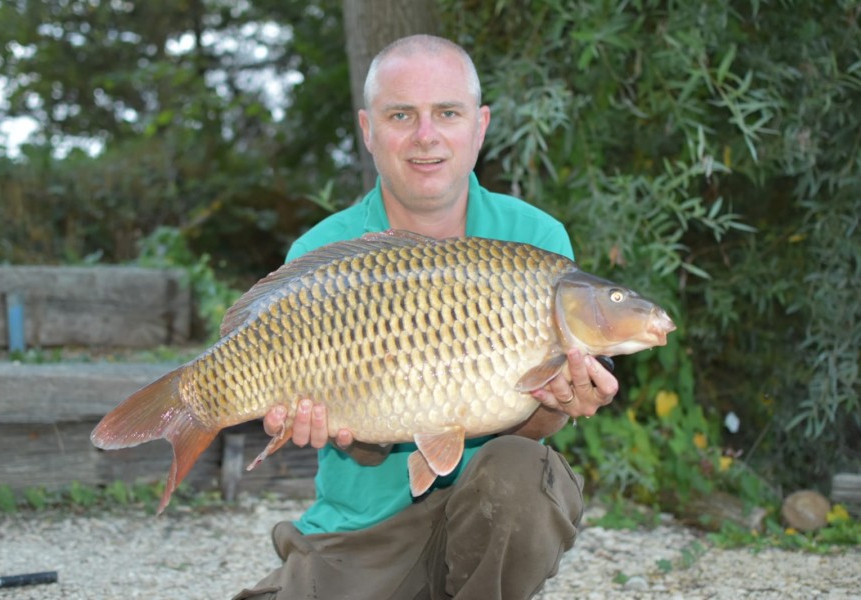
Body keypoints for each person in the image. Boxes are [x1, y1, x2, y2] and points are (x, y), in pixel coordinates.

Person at [233, 34, 618, 600]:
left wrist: (558, 404)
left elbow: (529, 427)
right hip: (363, 530)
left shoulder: (536, 244)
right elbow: (360, 438)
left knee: (521, 474)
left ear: (479, 125)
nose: (426, 136)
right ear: (368, 129)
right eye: (401, 115)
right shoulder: (324, 252)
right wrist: (320, 418)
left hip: (485, 515)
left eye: (447, 112)